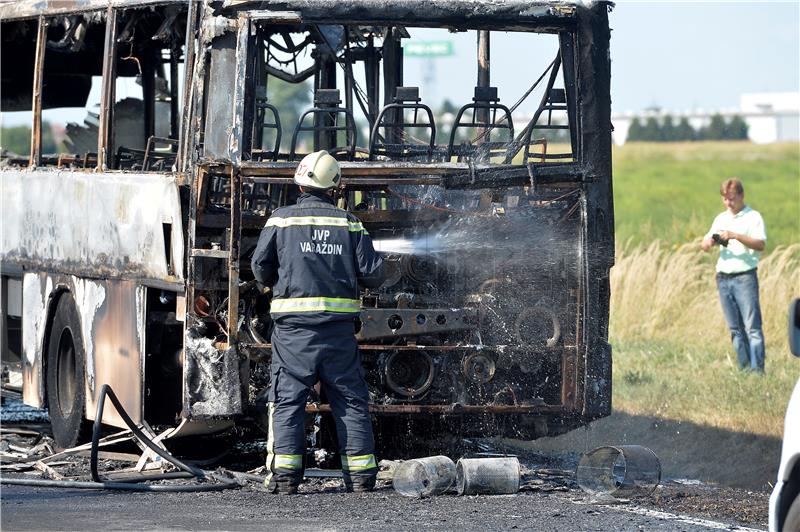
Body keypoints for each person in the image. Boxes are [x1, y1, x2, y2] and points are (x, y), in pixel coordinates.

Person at [251, 150, 385, 494]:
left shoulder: (280, 221)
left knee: (287, 401)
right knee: (350, 399)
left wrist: (276, 283)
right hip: (338, 333)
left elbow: (259, 267)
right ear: (336, 186)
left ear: (299, 183)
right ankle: (360, 478)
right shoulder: (349, 223)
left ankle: (285, 479)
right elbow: (373, 275)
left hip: (293, 333)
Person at [701, 177, 767, 373]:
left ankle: (758, 370)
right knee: (735, 329)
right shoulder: (721, 218)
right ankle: (745, 368)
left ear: (741, 195)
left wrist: (735, 235)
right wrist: (710, 243)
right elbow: (703, 244)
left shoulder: (753, 217)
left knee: (752, 328)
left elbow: (761, 244)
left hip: (745, 277)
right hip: (723, 277)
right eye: (725, 199)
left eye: (732, 199)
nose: (728, 203)